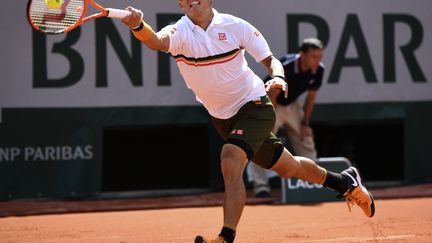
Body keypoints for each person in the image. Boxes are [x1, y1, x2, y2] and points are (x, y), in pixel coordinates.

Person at [120, 1, 375, 242]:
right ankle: (344, 182)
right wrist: (137, 25)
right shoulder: (179, 32)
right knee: (288, 168)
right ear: (181, 4)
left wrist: (277, 76)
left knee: (231, 158)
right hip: (222, 118)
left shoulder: (236, 26)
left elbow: (270, 60)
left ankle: (225, 237)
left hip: (255, 107)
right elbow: (155, 41)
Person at [249, 37, 324, 198]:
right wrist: (268, 121)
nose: (317, 61)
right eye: (313, 56)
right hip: (270, 103)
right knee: (262, 142)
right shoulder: (286, 66)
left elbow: (311, 97)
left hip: (292, 105)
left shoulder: (319, 70)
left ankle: (313, 184)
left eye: (320, 57)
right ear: (302, 55)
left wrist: (305, 123)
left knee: (306, 140)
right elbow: (272, 95)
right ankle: (261, 185)